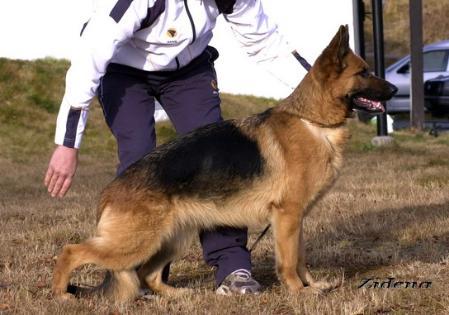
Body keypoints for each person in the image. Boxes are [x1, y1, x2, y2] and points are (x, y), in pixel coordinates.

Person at [44, 0, 307, 295]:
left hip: (189, 72)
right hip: (124, 71)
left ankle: (233, 268)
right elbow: (88, 58)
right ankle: (135, 274)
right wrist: (68, 144)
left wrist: (319, 92)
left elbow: (266, 42)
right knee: (139, 160)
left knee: (219, 161)